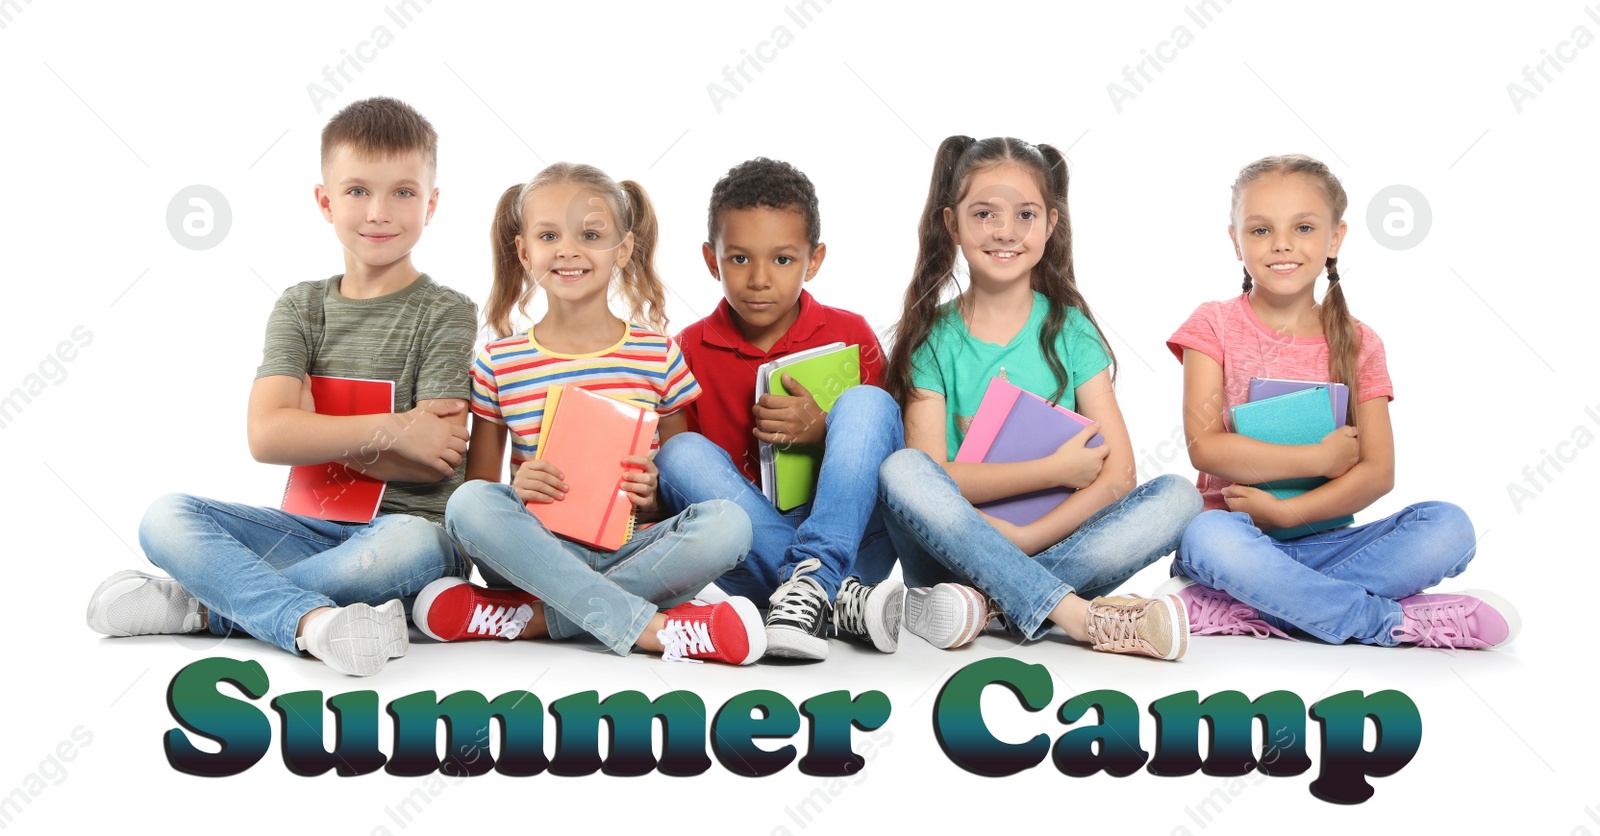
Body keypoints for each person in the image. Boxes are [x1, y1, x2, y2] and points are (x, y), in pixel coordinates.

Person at [86, 97, 476, 676]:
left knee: (407, 549)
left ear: (431, 203)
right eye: (356, 191)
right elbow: (267, 438)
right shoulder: (302, 307)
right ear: (324, 200)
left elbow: (434, 460)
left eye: (403, 192)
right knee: (164, 515)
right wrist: (394, 428)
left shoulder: (446, 312)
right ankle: (316, 621)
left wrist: (315, 429)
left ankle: (204, 606)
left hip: (405, 535)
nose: (379, 212)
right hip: (307, 530)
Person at [1158, 153, 1520, 650]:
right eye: (1260, 230)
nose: (1282, 243)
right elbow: (1206, 448)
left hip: (1329, 545)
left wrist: (1289, 514)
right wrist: (1316, 459)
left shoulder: (1360, 341)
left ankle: (1245, 606)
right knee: (1208, 536)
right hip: (1235, 542)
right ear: (1234, 240)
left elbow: (1378, 472)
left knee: (1448, 527)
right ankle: (1387, 623)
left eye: (1303, 227)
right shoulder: (1213, 324)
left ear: (1335, 238)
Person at [416, 162, 763, 665]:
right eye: (549, 235)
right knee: (468, 503)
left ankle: (534, 620)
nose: (568, 249)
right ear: (524, 251)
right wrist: (517, 491)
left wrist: (652, 496)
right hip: (535, 554)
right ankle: (655, 628)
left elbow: (676, 480)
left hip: (633, 550)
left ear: (623, 249)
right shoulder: (499, 362)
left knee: (730, 523)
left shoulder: (657, 355)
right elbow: (482, 489)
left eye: (591, 234)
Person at [878, 136, 1201, 661]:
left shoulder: (1071, 331)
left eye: (1025, 214)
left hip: (1055, 545)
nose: (1005, 231)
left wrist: (1029, 540)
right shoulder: (930, 339)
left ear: (1050, 225)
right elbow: (932, 473)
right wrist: (1051, 471)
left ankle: (988, 607)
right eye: (984, 214)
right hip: (949, 553)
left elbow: (1119, 475)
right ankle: (1072, 614)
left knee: (1180, 497)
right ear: (952, 223)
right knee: (901, 469)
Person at [654, 158, 904, 661]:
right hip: (752, 563)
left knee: (867, 402)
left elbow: (897, 460)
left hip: (857, 545)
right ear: (711, 260)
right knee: (677, 451)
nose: (760, 279)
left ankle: (818, 578)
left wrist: (821, 431)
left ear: (814, 260)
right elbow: (681, 496)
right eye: (740, 259)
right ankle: (836, 600)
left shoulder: (850, 333)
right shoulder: (685, 352)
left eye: (783, 260)